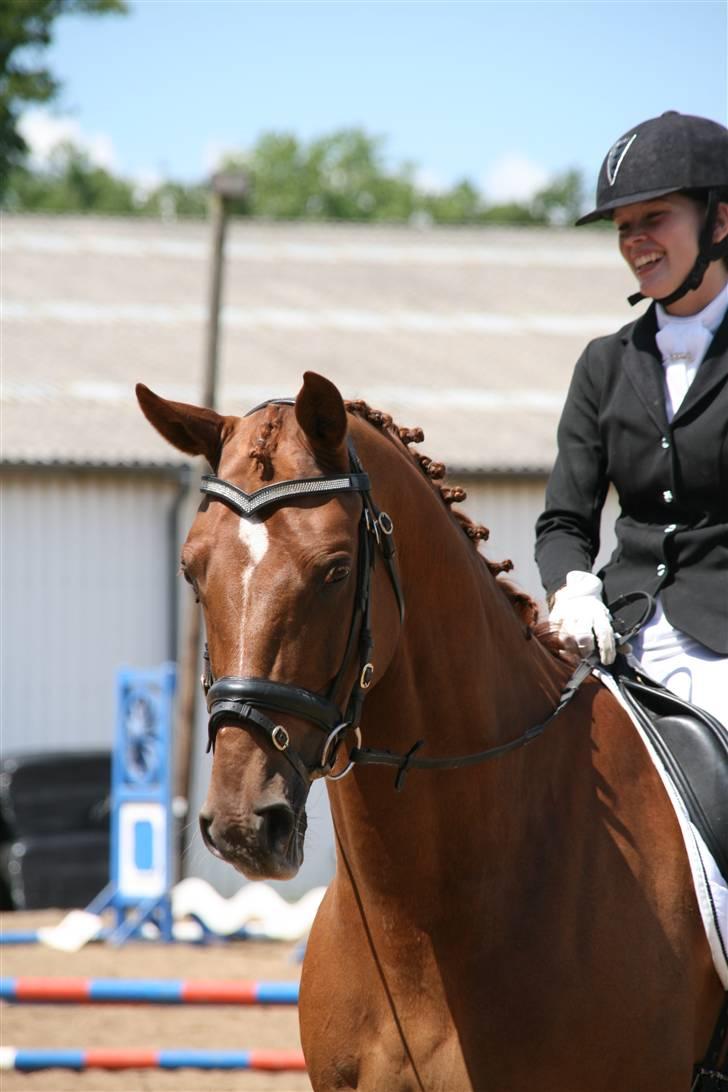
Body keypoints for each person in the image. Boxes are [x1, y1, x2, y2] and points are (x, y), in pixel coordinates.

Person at [534, 110, 728, 727]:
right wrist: (571, 587)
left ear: (720, 219)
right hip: (622, 634)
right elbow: (566, 517)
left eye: (654, 219)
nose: (636, 241)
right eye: (623, 227)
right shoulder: (603, 364)